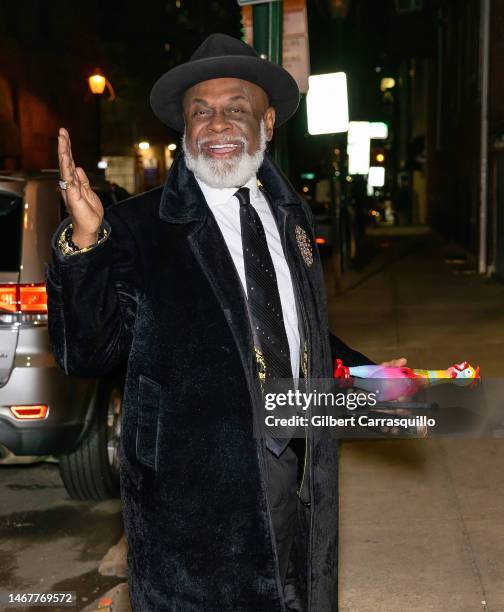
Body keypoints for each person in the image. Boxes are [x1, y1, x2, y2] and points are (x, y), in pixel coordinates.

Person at [46, 34, 405, 612]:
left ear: (266, 121)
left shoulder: (290, 218)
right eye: (201, 111)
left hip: (296, 474)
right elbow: (86, 352)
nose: (217, 124)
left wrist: (378, 382)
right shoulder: (138, 227)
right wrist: (85, 243)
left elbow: (300, 335)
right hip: (191, 512)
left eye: (235, 108)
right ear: (183, 130)